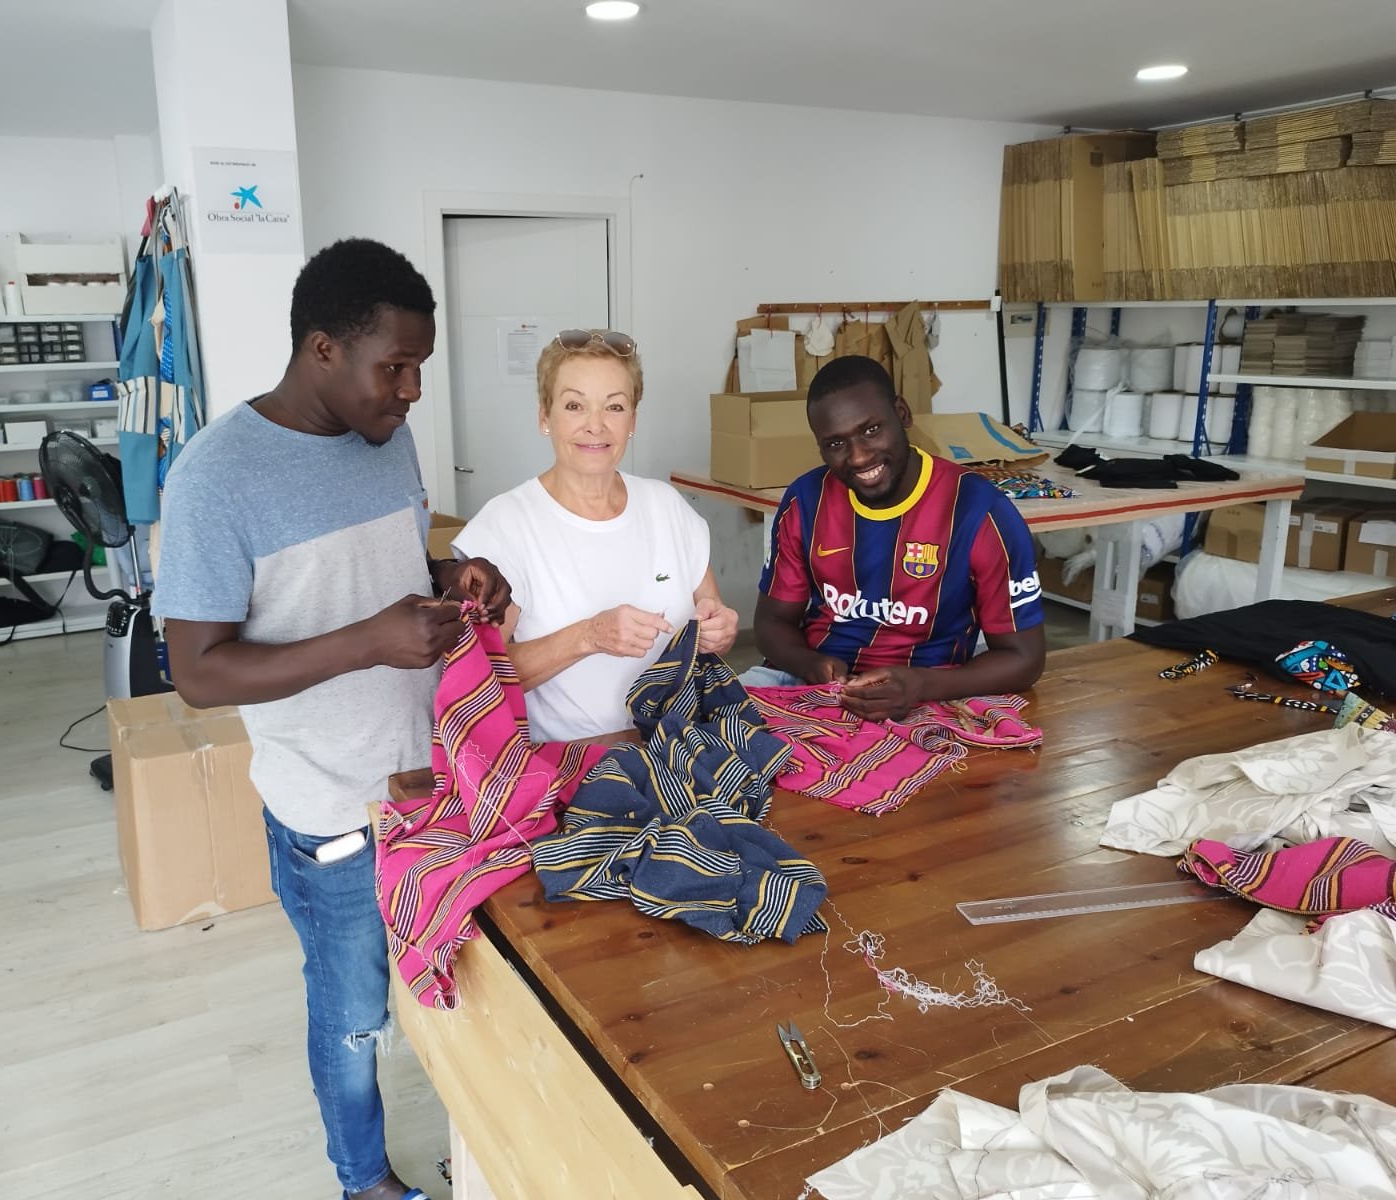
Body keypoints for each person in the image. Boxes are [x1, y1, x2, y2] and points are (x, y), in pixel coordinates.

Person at [153, 238, 510, 1200]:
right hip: (331, 809)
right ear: (321, 350)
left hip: (433, 779)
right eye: (394, 368)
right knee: (354, 1013)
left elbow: (387, 576)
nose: (411, 393)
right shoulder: (213, 480)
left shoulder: (383, 438)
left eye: (418, 369)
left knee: (445, 984)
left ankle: (471, 1151)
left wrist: (452, 576)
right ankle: (363, 1181)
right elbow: (196, 673)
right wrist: (367, 641)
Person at [452, 329, 738, 742]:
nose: (596, 425)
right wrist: (588, 636)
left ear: (633, 421)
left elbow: (712, 617)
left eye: (615, 406)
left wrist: (719, 631)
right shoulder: (505, 527)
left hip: (677, 747)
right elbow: (480, 679)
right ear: (544, 417)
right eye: (574, 405)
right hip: (568, 766)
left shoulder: (667, 507)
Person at [748, 354, 1045, 721]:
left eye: (871, 430)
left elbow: (1025, 659)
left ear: (902, 413)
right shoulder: (805, 500)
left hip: (935, 691)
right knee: (706, 733)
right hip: (807, 684)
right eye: (836, 444)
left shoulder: (981, 512)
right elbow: (770, 623)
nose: (858, 457)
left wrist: (918, 686)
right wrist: (812, 664)